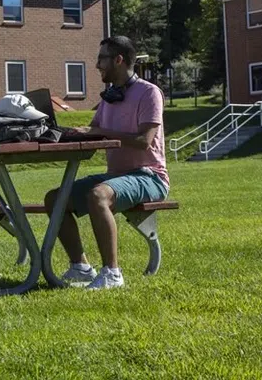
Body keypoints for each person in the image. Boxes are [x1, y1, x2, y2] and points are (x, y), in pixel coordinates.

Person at [44, 36, 169, 290]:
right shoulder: (110, 98)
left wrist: (96, 132)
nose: (97, 65)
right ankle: (80, 267)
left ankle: (112, 273)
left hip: (149, 176)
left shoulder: (149, 93)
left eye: (101, 59)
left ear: (119, 60)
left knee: (98, 195)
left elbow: (144, 141)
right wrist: (67, 134)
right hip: (118, 176)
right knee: (55, 198)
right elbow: (95, 130)